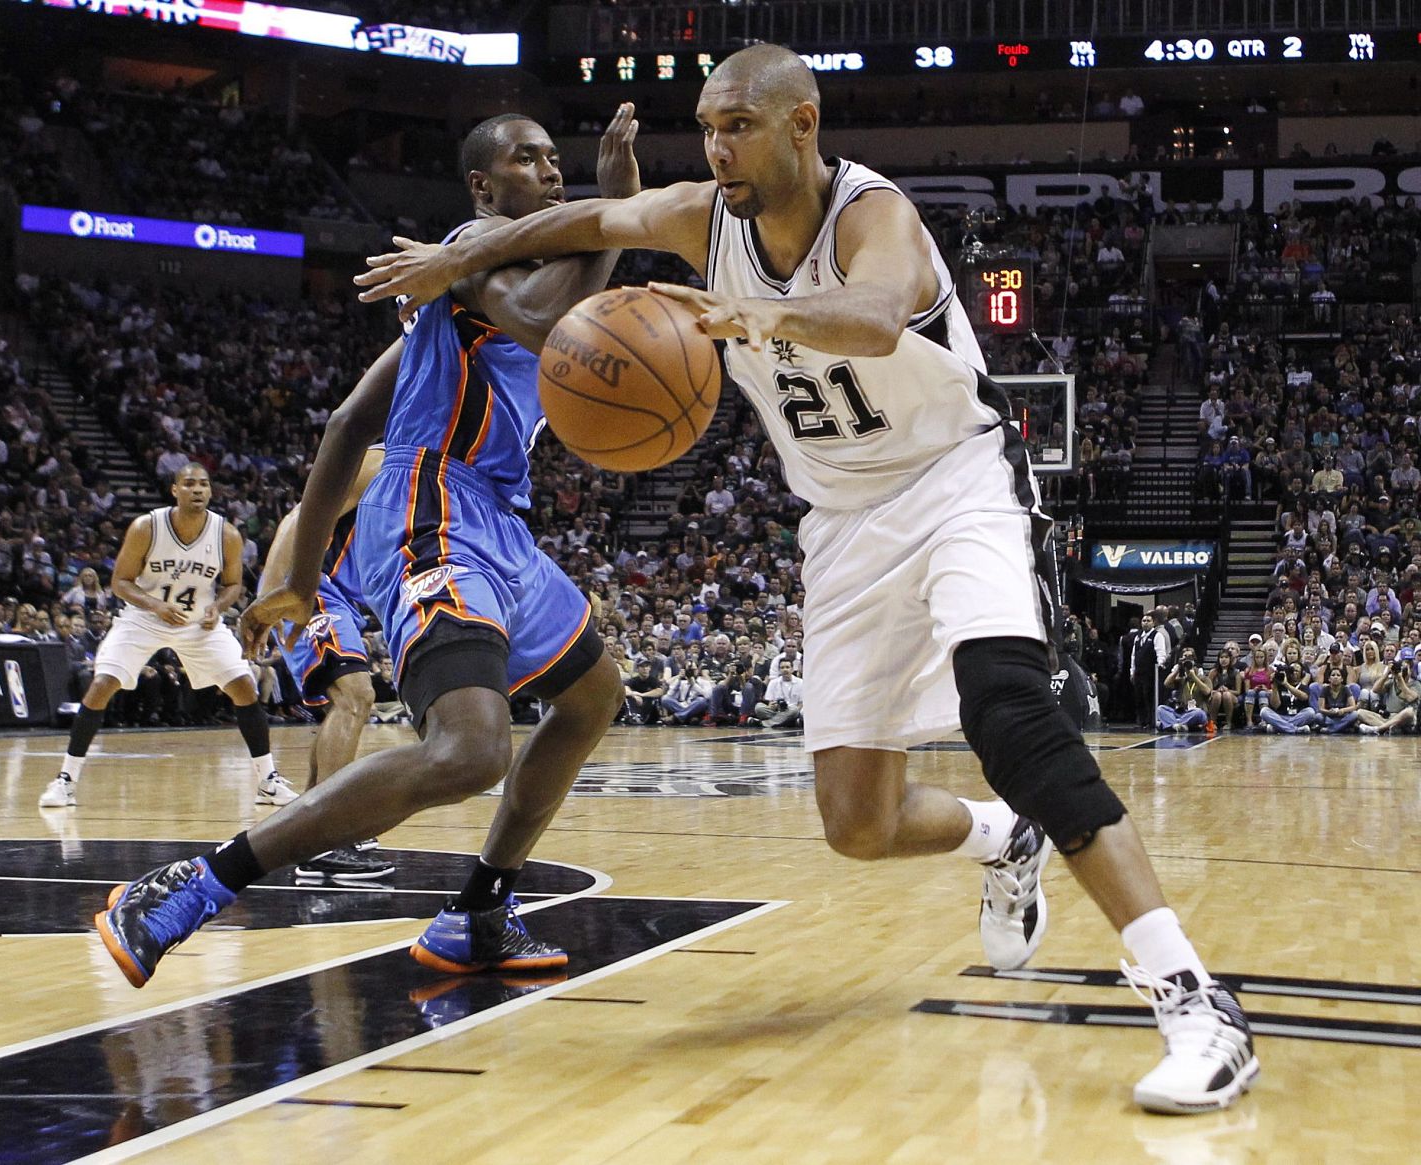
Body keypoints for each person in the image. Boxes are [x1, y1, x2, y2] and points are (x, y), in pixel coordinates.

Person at [354, 44, 1256, 1113]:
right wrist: (456, 260)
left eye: (737, 124)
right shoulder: (703, 214)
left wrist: (762, 316)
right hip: (840, 522)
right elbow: (582, 224)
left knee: (1010, 715)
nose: (716, 146)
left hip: (956, 478)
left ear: (800, 124)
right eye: (706, 126)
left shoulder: (876, 218)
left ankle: (1192, 998)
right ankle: (995, 834)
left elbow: (874, 316)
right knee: (854, 823)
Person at [96, 107, 642, 987]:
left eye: (555, 159)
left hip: (496, 518)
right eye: (526, 158)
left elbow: (349, 423)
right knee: (469, 750)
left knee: (592, 695)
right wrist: (613, 215)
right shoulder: (473, 248)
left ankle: (479, 911)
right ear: (481, 185)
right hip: (436, 509)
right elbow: (547, 320)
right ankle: (193, 884)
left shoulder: (452, 294)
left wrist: (304, 581)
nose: (549, 171)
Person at [38, 464, 295, 808]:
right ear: (175, 490)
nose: (198, 490)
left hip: (197, 624)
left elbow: (233, 585)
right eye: (189, 484)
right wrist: (155, 606)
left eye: (204, 484)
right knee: (102, 684)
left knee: (245, 686)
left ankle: (267, 781)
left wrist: (217, 606)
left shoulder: (227, 534)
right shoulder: (147, 527)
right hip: (143, 619)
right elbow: (120, 582)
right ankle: (66, 780)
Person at [253, 451, 396, 883]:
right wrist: (271, 602)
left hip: (343, 600)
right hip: (312, 590)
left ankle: (309, 825)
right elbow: (300, 519)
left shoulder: (433, 470)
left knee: (343, 703)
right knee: (356, 696)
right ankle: (326, 837)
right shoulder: (380, 461)